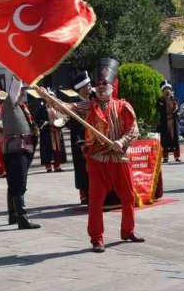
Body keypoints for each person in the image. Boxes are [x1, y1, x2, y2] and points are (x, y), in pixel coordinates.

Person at [85, 58, 143, 253]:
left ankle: (128, 231)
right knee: (95, 202)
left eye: (105, 83)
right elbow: (67, 108)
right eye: (98, 84)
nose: (101, 87)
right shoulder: (88, 107)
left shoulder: (122, 106)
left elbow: (134, 130)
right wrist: (47, 96)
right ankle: (96, 239)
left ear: (112, 85)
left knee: (128, 198)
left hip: (120, 159)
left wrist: (121, 141)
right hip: (98, 161)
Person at [0, 80, 41, 229]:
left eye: (23, 89)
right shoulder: (10, 103)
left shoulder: (20, 106)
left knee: (13, 185)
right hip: (16, 149)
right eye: (21, 89)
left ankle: (13, 215)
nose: (22, 91)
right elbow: (14, 90)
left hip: (20, 149)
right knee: (19, 186)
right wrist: (18, 76)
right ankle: (23, 219)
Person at [67, 72, 93, 203]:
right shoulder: (75, 103)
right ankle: (84, 194)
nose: (90, 87)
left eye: (90, 85)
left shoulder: (93, 100)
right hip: (81, 140)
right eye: (87, 85)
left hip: (93, 138)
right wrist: (80, 142)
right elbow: (74, 126)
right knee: (82, 167)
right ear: (81, 88)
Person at [36, 93, 66, 173]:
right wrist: (48, 123)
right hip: (47, 132)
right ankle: (48, 166)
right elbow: (38, 120)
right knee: (47, 149)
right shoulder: (42, 108)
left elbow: (63, 118)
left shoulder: (58, 108)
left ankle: (57, 166)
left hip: (57, 131)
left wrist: (61, 123)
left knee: (58, 149)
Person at [156, 81, 182, 162]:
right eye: (165, 89)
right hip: (165, 123)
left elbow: (177, 108)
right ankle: (165, 157)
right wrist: (164, 101)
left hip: (173, 122)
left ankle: (177, 157)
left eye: (168, 89)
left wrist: (175, 105)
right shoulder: (160, 100)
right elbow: (158, 108)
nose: (167, 90)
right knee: (165, 140)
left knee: (175, 140)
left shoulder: (174, 99)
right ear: (163, 91)